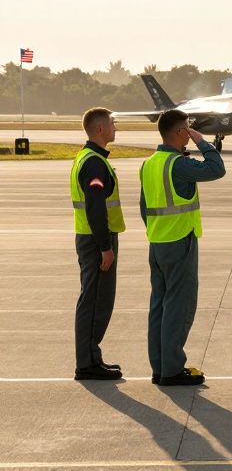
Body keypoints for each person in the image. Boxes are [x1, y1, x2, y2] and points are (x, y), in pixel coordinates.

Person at [140, 109, 226, 386]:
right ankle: (173, 369)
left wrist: (157, 231)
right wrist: (202, 142)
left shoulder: (150, 163)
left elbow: (144, 207)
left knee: (159, 306)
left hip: (157, 242)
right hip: (180, 241)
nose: (190, 132)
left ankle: (160, 366)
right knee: (179, 306)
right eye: (187, 128)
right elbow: (216, 169)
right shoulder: (178, 164)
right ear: (180, 133)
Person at [71, 107, 125, 381]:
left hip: (91, 237)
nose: (116, 127)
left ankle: (91, 357)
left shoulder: (90, 158)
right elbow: (94, 205)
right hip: (96, 240)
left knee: (95, 300)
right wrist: (105, 246)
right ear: (101, 129)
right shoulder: (93, 163)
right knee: (95, 302)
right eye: (113, 124)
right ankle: (87, 363)